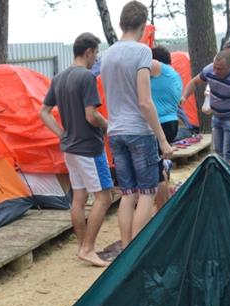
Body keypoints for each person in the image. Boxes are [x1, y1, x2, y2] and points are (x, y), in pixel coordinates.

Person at [100, 1, 173, 251]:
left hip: (116, 132)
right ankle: (138, 251)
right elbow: (144, 101)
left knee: (128, 193)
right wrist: (162, 139)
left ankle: (126, 247)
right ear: (143, 26)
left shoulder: (107, 54)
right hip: (139, 132)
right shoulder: (142, 52)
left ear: (121, 23)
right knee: (147, 192)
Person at [39, 32, 112, 268]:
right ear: (88, 52)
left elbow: (43, 112)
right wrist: (108, 125)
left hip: (70, 148)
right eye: (96, 53)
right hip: (89, 147)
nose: (96, 58)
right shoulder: (86, 77)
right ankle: (88, 249)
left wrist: (62, 134)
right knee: (104, 197)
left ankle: (82, 246)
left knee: (79, 198)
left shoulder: (59, 78)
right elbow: (91, 115)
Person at [181, 51, 230, 167]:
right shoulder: (209, 70)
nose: (215, 71)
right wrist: (184, 96)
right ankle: (224, 173)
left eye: (220, 69)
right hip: (217, 116)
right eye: (214, 67)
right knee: (218, 151)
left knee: (229, 153)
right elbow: (194, 82)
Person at [149, 45, 182, 210]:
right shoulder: (174, 75)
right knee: (160, 165)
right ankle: (166, 203)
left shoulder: (160, 71)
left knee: (156, 171)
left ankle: (162, 208)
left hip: (159, 124)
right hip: (172, 122)